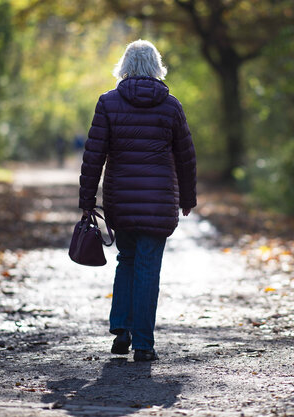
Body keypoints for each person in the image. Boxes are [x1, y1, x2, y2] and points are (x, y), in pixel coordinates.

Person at [78, 40, 197, 362]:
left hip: (122, 199)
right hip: (159, 201)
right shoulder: (171, 106)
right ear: (157, 67)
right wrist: (188, 198)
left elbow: (94, 156)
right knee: (148, 268)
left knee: (127, 259)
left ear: (125, 65)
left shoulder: (108, 103)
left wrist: (87, 200)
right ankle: (143, 344)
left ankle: (121, 329)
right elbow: (185, 157)